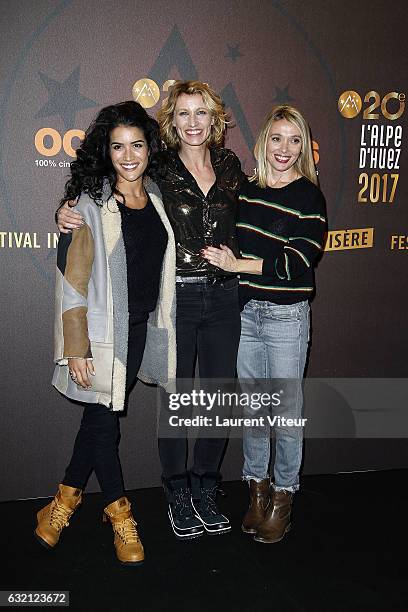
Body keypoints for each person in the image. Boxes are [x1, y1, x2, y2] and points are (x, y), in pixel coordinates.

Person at [57, 81, 243, 540]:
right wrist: (64, 213)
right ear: (171, 122)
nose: (194, 122)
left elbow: (257, 217)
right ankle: (146, 505)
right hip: (146, 313)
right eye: (184, 113)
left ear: (215, 119)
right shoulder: (132, 182)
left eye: (202, 112)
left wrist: (254, 263)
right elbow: (81, 257)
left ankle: (201, 488)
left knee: (209, 399)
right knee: (141, 411)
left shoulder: (215, 171)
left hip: (197, 305)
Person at [36, 101, 176, 565]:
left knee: (99, 421)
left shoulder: (156, 196)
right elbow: (72, 281)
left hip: (137, 334)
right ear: (107, 151)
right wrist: (76, 348)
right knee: (103, 424)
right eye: (118, 146)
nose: (129, 155)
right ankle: (119, 515)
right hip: (100, 338)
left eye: (137, 144)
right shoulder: (91, 204)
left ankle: (62, 503)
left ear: (149, 148)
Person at [203, 105, 327, 543]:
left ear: (304, 148)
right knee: (255, 410)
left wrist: (240, 264)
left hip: (285, 316)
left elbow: (298, 262)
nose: (285, 149)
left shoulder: (309, 196)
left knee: (287, 413)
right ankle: (256, 491)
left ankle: (283, 495)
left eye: (295, 140)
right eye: (277, 138)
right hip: (245, 313)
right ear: (264, 141)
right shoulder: (245, 189)